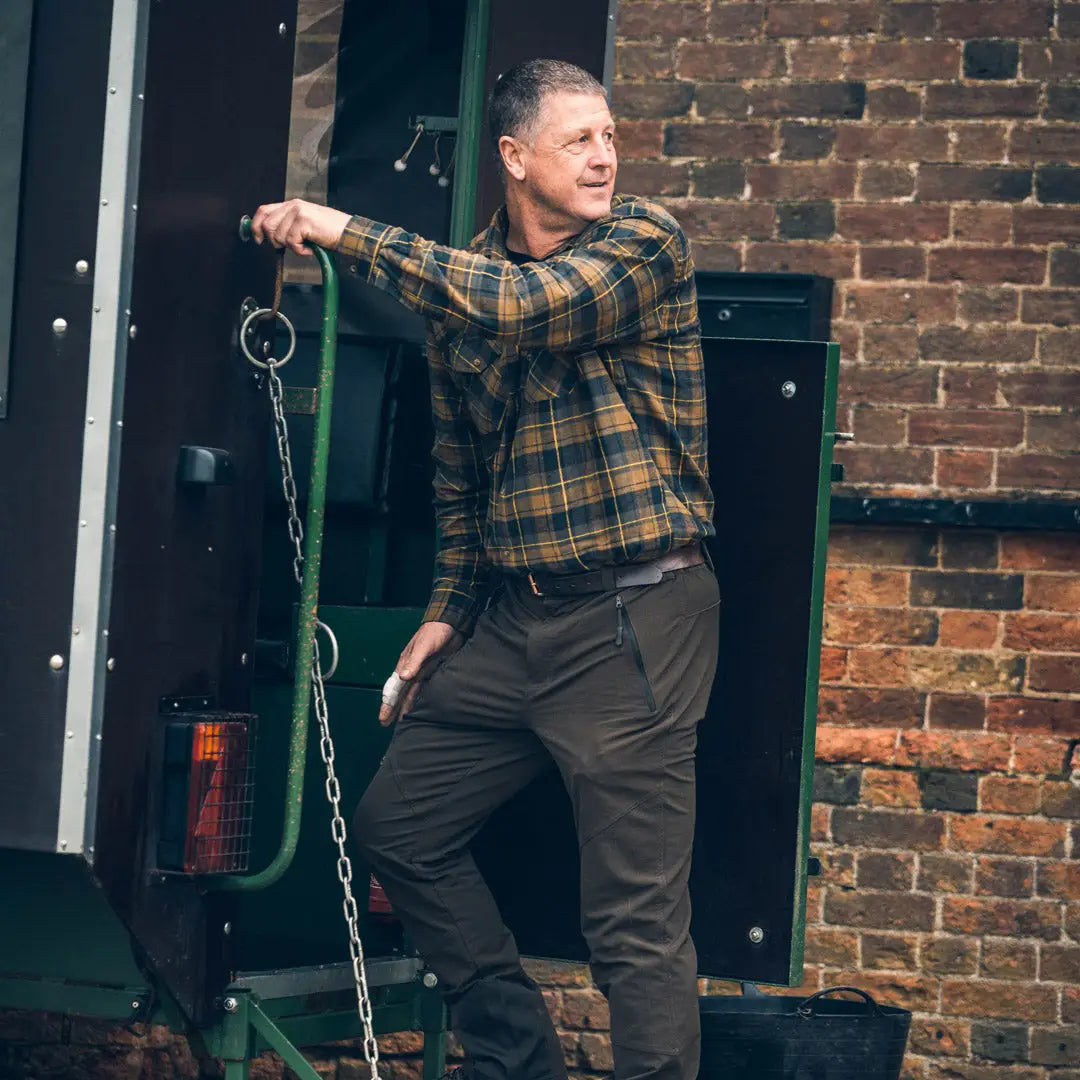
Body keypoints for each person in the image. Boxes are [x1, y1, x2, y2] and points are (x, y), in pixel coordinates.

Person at [251, 58, 719, 1080]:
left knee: (633, 922)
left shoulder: (644, 243)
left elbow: (524, 306)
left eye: (608, 135)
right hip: (518, 621)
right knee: (400, 828)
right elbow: (462, 478)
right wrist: (448, 613)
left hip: (638, 617)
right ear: (514, 158)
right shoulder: (463, 279)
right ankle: (519, 1062)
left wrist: (342, 231)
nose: (605, 156)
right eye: (577, 140)